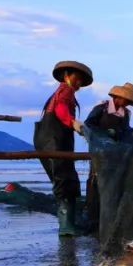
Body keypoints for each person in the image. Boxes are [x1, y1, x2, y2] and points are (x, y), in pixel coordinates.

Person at [35, 60, 93, 236]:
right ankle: (66, 227)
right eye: (77, 78)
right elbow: (61, 111)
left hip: (47, 141)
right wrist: (73, 123)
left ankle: (67, 224)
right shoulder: (65, 90)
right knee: (64, 179)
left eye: (82, 80)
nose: (79, 83)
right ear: (67, 76)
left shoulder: (60, 93)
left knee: (64, 179)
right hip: (54, 142)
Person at [83, 82, 133, 232]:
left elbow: (126, 132)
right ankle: (93, 218)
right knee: (95, 181)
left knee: (114, 181)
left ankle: (110, 215)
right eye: (125, 100)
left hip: (116, 153)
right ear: (117, 97)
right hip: (99, 151)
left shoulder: (126, 114)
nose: (126, 103)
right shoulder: (101, 109)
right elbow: (88, 125)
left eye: (128, 101)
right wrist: (104, 134)